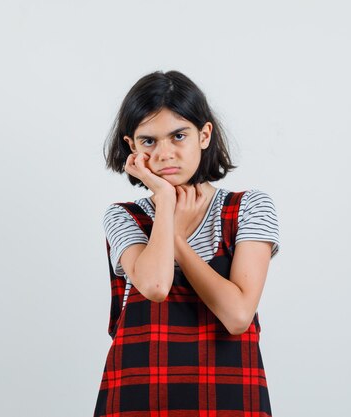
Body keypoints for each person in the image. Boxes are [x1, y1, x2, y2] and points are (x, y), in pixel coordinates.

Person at [93, 70, 280, 417]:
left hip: (228, 397)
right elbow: (155, 285)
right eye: (149, 141)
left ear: (204, 134)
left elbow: (238, 315)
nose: (164, 154)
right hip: (138, 396)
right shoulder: (122, 216)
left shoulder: (248, 208)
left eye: (178, 136)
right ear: (131, 147)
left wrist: (177, 240)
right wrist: (165, 203)